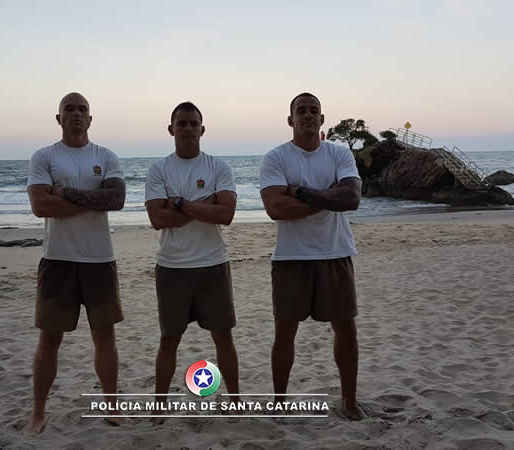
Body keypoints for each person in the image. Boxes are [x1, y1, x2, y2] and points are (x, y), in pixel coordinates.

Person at [259, 92, 365, 420]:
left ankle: (349, 402)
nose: (307, 115)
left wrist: (299, 192)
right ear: (290, 119)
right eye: (301, 111)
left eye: (313, 110)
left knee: (346, 330)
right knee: (284, 333)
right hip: (291, 258)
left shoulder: (339, 154)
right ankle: (279, 403)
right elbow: (276, 208)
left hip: (336, 253)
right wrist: (328, 197)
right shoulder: (276, 158)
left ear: (322, 119)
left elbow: (351, 198)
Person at [25, 92, 126, 432]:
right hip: (58, 260)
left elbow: (117, 199)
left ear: (91, 118)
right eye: (69, 109)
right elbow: (40, 206)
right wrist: (94, 200)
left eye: (83, 109)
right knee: (49, 341)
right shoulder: (44, 156)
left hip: (100, 259)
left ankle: (111, 405)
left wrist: (64, 192)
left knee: (105, 339)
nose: (76, 114)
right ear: (58, 118)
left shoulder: (105, 156)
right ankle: (38, 412)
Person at [144, 102, 241, 420]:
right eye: (181, 124)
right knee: (169, 339)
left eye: (193, 124)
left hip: (213, 264)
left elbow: (226, 214)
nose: (187, 129)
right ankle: (159, 405)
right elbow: (157, 219)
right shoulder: (159, 170)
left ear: (202, 129)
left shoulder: (218, 167)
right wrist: (204, 204)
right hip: (172, 266)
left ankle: (235, 400)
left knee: (223, 337)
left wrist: (180, 204)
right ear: (171, 129)